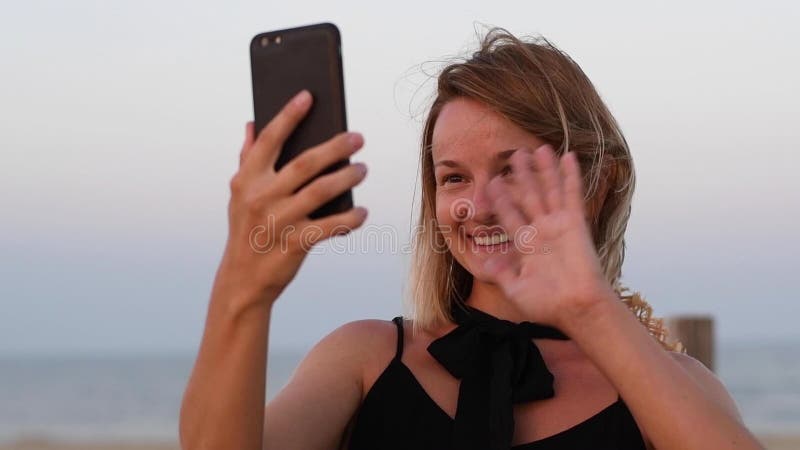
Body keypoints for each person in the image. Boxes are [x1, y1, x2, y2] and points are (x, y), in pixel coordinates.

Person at [179, 28, 763, 450]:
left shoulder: (673, 390)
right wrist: (243, 291)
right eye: (453, 176)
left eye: (513, 170)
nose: (478, 207)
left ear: (599, 181)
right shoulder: (365, 360)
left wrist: (589, 309)